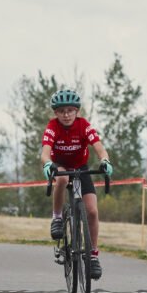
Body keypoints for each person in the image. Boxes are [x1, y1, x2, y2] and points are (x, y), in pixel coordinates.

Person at [41, 89, 112, 280]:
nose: (66, 115)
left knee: (92, 211)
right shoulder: (52, 126)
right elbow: (45, 153)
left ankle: (93, 255)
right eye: (61, 111)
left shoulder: (84, 125)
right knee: (62, 179)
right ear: (56, 113)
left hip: (80, 167)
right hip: (60, 166)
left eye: (70, 110)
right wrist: (47, 164)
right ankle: (57, 217)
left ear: (76, 111)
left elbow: (100, 148)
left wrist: (105, 161)